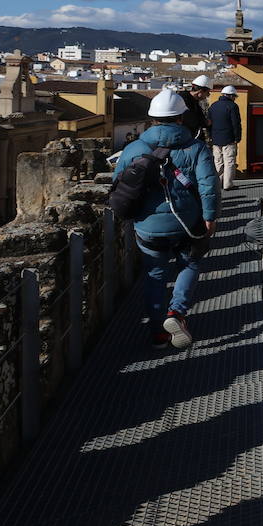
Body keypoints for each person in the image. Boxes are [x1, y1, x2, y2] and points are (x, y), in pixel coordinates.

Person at [114, 87, 219, 349]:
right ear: (181, 118)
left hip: (148, 226)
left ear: (152, 118)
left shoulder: (134, 148)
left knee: (155, 275)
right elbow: (209, 186)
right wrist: (210, 217)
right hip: (186, 224)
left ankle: (158, 335)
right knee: (190, 263)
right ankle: (177, 313)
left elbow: (119, 183)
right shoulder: (196, 148)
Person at [208, 85, 242, 191]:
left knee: (218, 161)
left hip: (215, 139)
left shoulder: (213, 106)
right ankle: (228, 184)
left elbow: (209, 123)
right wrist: (237, 137)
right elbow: (236, 124)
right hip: (229, 139)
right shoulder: (232, 106)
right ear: (231, 96)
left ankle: (218, 183)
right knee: (229, 161)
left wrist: (211, 136)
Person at [181, 75, 212, 141]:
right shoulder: (184, 101)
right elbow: (193, 121)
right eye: (207, 93)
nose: (207, 96)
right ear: (200, 91)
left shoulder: (193, 102)